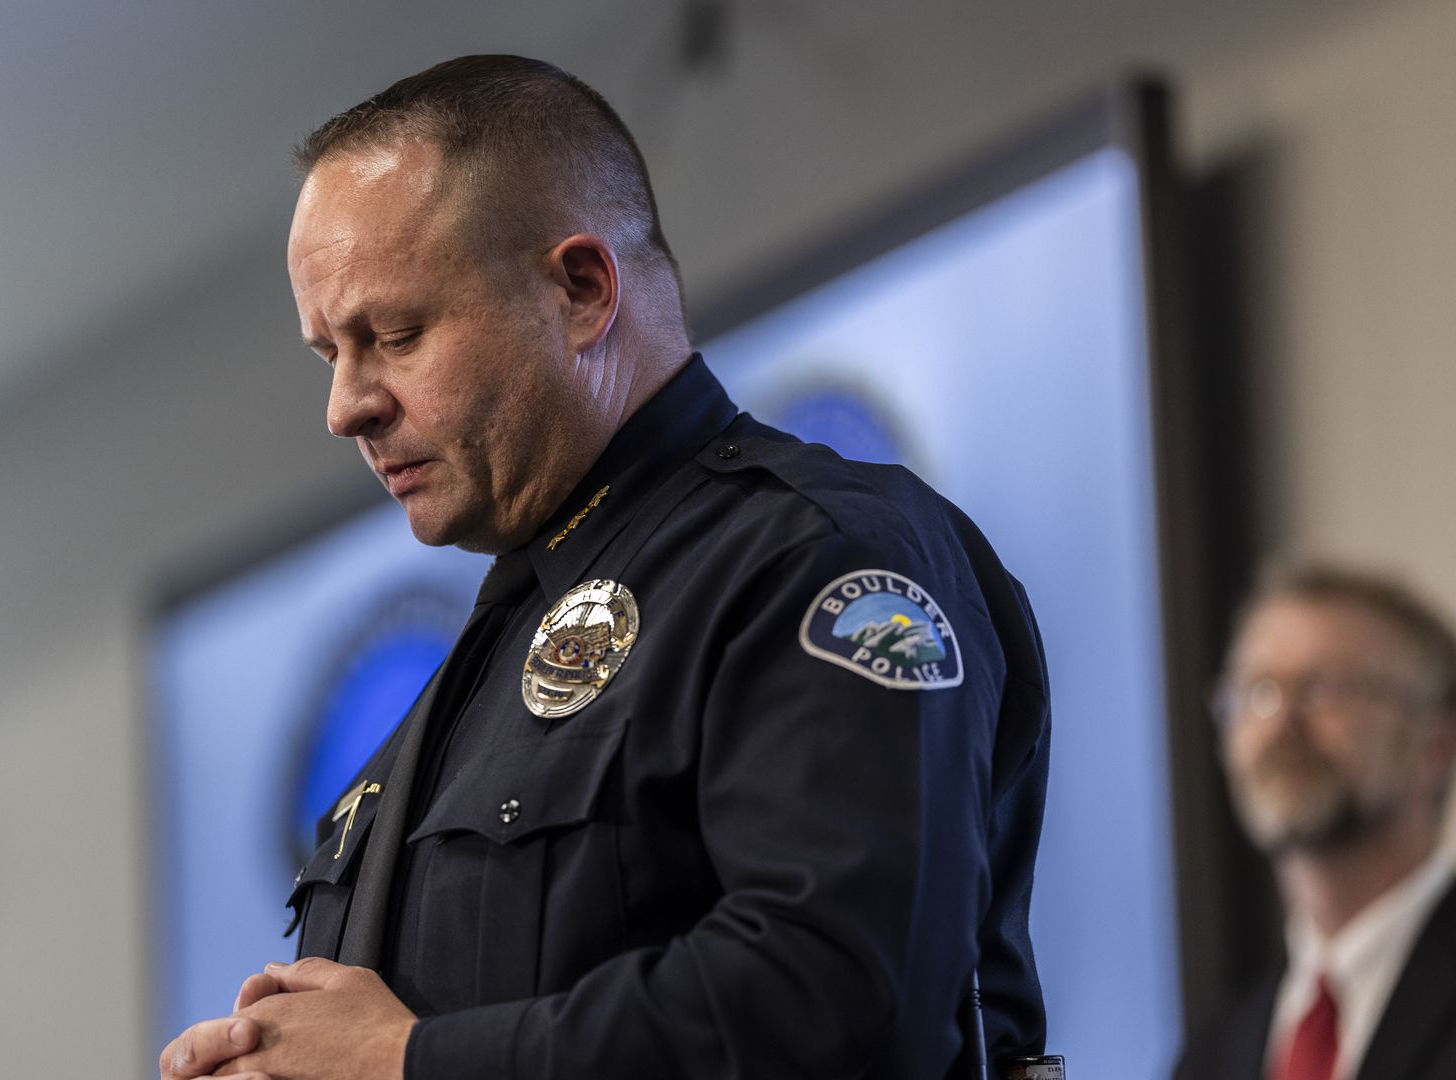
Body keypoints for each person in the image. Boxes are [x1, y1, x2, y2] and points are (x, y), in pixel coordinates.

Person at [160, 54, 1052, 1080]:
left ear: (581, 291)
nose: (346, 407)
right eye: (331, 355)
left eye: (395, 335)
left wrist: (411, 1063)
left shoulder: (817, 553)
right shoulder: (469, 680)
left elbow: (836, 1003)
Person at [1176, 564, 1456, 1080]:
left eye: (1327, 688)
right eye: (1257, 689)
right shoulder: (1209, 1056)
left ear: (1436, 745)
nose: (1281, 720)